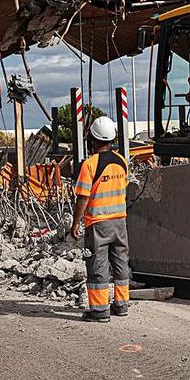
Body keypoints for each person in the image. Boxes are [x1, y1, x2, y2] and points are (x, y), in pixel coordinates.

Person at [71, 116, 130, 322]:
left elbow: (83, 197)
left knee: (98, 264)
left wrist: (75, 223)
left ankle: (100, 310)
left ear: (92, 139)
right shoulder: (122, 162)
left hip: (98, 224)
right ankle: (121, 305)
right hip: (120, 222)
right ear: (113, 138)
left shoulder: (90, 165)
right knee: (121, 262)